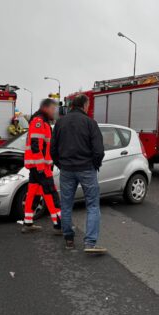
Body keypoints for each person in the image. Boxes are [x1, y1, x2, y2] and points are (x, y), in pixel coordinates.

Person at [51, 94, 106, 253]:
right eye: (88, 105)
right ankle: (90, 243)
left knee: (66, 205)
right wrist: (95, 165)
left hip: (67, 169)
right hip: (86, 168)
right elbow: (98, 150)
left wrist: (61, 164)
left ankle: (68, 239)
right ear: (84, 105)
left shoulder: (60, 123)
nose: (89, 108)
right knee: (93, 205)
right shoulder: (90, 123)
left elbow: (53, 149)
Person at [21, 99, 62, 234]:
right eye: (53, 109)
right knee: (50, 193)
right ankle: (59, 225)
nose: (54, 112)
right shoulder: (39, 121)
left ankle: (28, 223)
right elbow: (35, 145)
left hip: (36, 166)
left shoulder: (39, 121)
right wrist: (41, 167)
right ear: (46, 108)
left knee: (33, 193)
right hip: (41, 166)